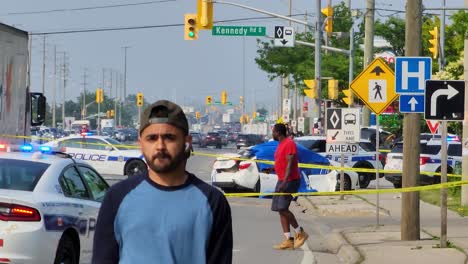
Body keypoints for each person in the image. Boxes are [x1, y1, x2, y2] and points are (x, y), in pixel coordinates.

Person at [92, 100, 233, 264]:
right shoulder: (117, 197)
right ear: (141, 144)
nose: (160, 146)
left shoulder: (213, 201)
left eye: (169, 137)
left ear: (187, 142)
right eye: (152, 138)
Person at [271, 123, 309, 250]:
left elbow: (291, 163)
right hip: (282, 179)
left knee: (282, 208)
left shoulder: (289, 143)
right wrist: (271, 169)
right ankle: (288, 240)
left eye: (273, 131)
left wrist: (285, 181)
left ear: (278, 132)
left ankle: (300, 232)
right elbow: (281, 162)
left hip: (290, 181)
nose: (272, 134)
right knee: (279, 209)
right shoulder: (280, 144)